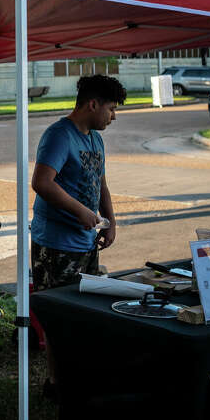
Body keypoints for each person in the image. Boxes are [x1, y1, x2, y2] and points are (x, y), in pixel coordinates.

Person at [30, 74, 125, 290]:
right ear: (93, 104)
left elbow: (101, 184)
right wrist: (80, 211)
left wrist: (111, 222)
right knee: (58, 312)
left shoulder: (96, 138)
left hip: (86, 243)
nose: (114, 116)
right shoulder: (59, 135)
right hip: (56, 245)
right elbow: (42, 182)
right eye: (111, 109)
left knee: (84, 309)